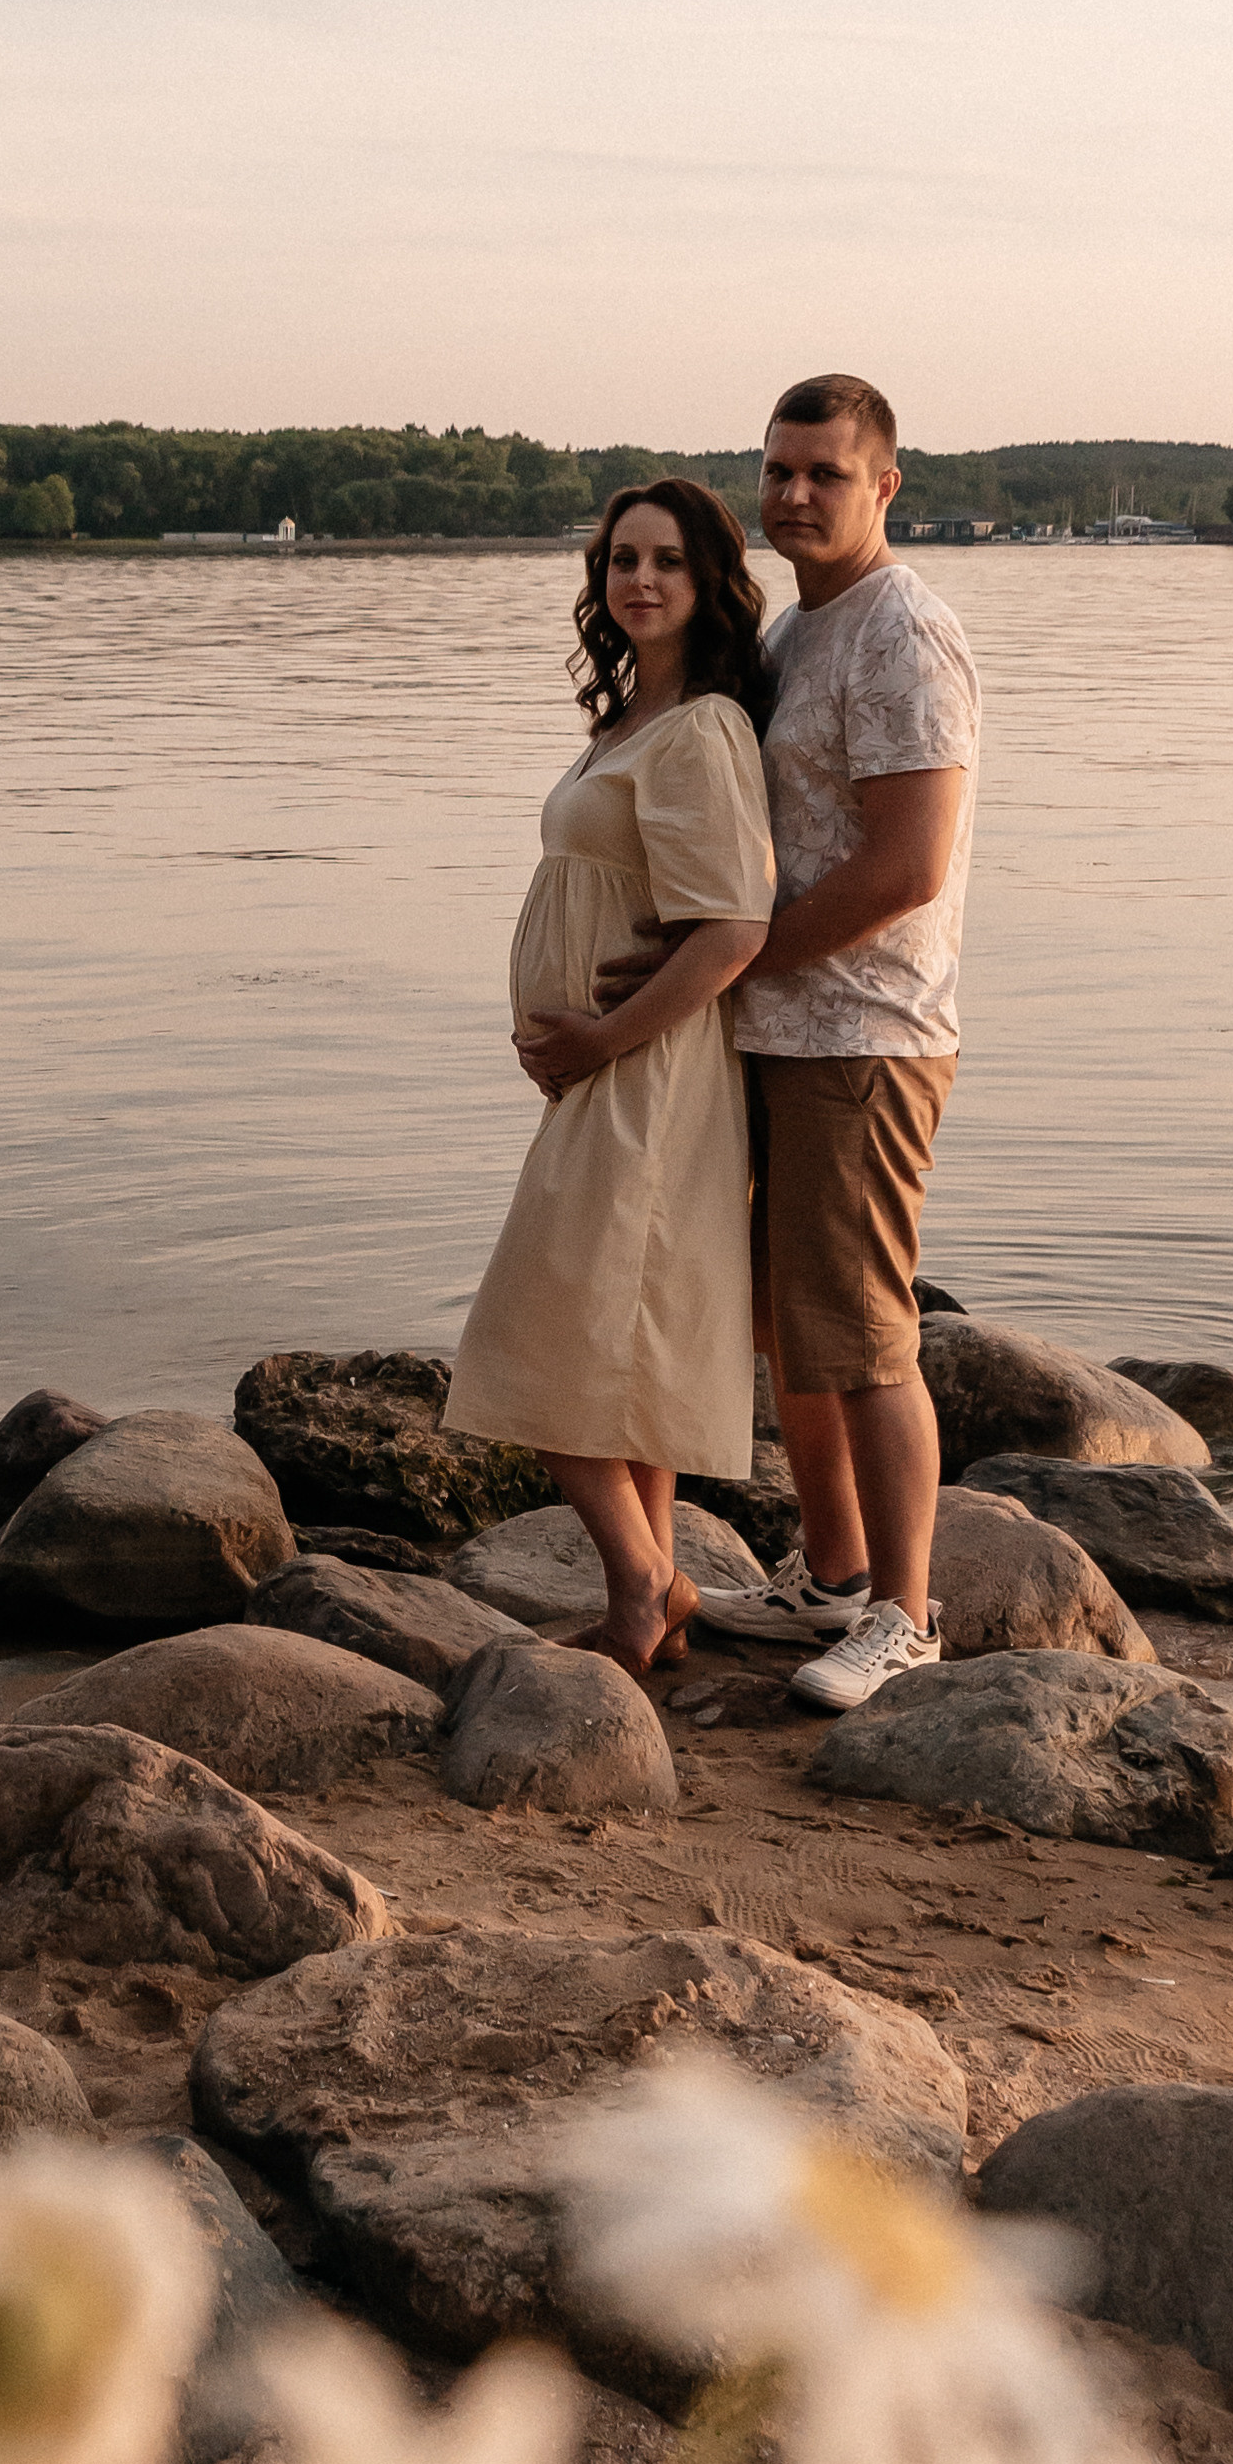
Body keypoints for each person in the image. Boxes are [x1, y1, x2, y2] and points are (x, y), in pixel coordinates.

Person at [440, 479, 776, 1679]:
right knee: (620, 1344)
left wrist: (598, 1037)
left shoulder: (700, 731)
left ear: (708, 583)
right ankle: (657, 1589)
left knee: (546, 1333)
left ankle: (640, 1586)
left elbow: (732, 928)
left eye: (666, 562)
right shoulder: (635, 719)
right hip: (605, 1069)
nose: (637, 580)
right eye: (621, 559)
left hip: (643, 1071)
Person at [694, 373, 980, 1710]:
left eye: (825, 471)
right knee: (786, 1324)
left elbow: (907, 862)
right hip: (775, 1030)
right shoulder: (799, 632)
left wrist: (742, 951)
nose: (795, 494)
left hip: (864, 1033)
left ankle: (906, 1613)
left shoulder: (900, 632)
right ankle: (828, 1570)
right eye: (779, 470)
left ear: (884, 484)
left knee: (864, 1331)